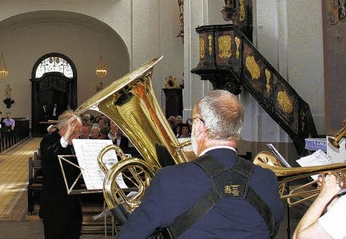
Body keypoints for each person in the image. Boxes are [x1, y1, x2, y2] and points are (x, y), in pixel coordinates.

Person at [119, 90, 284, 238]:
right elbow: (271, 229)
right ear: (237, 130)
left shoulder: (170, 179)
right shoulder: (267, 179)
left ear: (199, 126)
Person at [39, 110, 83, 239]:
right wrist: (66, 137)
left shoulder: (76, 144)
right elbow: (48, 156)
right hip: (54, 207)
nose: (78, 136)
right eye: (75, 132)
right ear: (64, 130)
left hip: (73, 206)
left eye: (79, 133)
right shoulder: (48, 140)